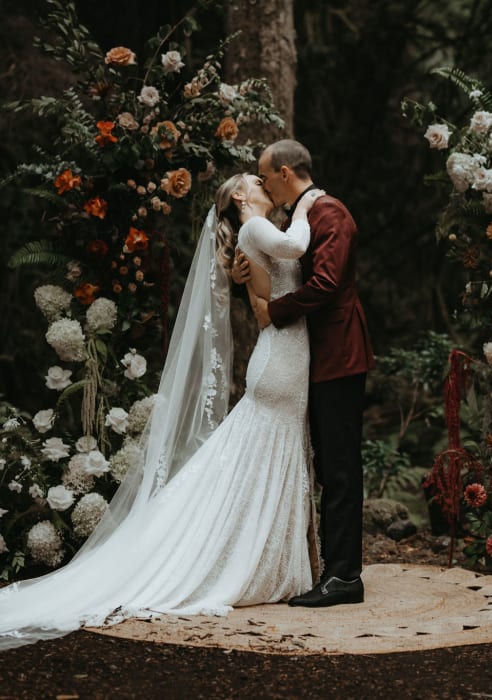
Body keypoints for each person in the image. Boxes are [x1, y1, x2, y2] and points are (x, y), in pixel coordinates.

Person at [0, 174, 324, 650]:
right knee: (257, 456)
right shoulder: (258, 229)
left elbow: (263, 301)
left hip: (281, 358)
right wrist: (308, 201)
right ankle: (251, 560)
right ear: (240, 197)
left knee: (249, 459)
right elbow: (295, 249)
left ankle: (262, 556)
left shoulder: (254, 236)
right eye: (258, 182)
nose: (266, 187)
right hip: (280, 363)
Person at [233, 139, 375, 607]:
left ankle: (344, 578)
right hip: (312, 357)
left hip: (338, 354)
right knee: (326, 465)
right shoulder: (295, 218)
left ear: (286, 173)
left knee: (339, 466)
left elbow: (326, 284)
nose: (264, 184)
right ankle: (324, 569)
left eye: (265, 175)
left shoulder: (328, 212)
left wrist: (274, 311)